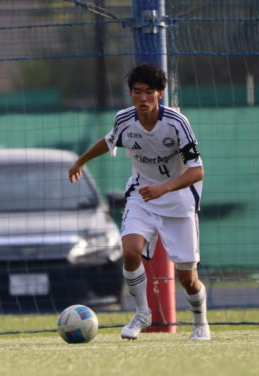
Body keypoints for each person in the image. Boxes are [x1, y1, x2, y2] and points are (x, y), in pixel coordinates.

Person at [68, 63, 210, 341]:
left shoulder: (177, 123)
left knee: (187, 279)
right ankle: (142, 313)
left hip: (179, 203)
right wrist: (81, 160)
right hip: (141, 196)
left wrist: (164, 188)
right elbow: (109, 140)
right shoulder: (124, 119)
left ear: (160, 94)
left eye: (149, 92)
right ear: (130, 93)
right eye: (137, 91)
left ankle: (200, 323)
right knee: (130, 251)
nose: (142, 98)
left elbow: (197, 171)